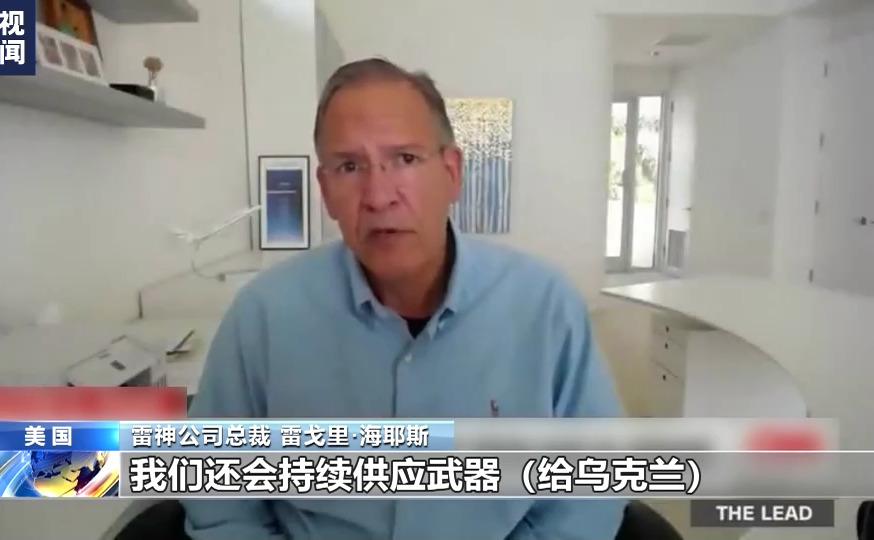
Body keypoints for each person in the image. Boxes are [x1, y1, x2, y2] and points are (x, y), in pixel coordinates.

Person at [183, 57, 627, 540]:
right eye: (349, 166)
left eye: (406, 159)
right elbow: (218, 501)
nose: (378, 196)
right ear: (325, 191)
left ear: (452, 172)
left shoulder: (545, 308)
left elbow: (591, 492)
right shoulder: (263, 317)